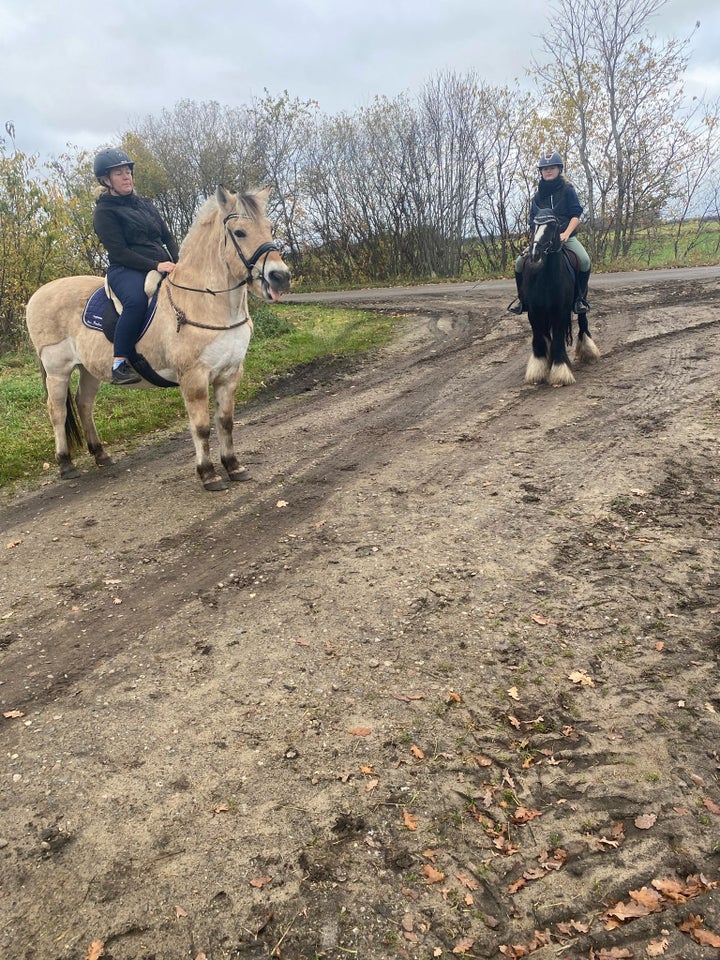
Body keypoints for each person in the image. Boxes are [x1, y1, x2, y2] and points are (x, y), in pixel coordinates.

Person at [92, 148, 179, 385]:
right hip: (126, 269)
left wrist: (180, 262)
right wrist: (156, 264)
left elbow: (167, 236)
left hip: (161, 264)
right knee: (136, 302)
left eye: (128, 171)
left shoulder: (145, 205)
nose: (127, 176)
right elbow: (120, 252)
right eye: (119, 173)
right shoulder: (104, 212)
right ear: (106, 180)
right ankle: (119, 363)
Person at [508, 151, 591, 316]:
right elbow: (533, 222)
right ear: (541, 171)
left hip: (565, 237)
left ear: (559, 169)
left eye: (552, 167)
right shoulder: (538, 196)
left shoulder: (568, 190)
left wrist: (566, 233)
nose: (548, 171)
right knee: (519, 264)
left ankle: (579, 299)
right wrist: (534, 243)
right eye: (545, 168)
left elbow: (576, 215)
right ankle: (522, 299)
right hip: (543, 240)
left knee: (584, 261)